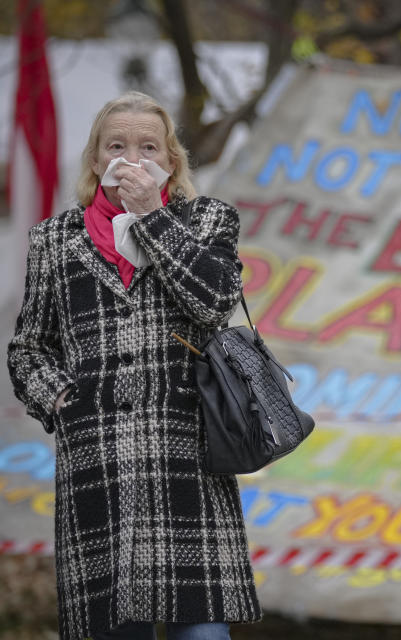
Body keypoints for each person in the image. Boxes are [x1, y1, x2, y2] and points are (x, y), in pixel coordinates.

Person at [7, 92, 261, 640]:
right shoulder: (55, 239)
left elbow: (215, 302)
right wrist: (61, 400)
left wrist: (151, 215)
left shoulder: (209, 220)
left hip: (188, 458)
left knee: (204, 632)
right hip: (96, 463)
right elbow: (29, 349)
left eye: (149, 146)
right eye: (117, 145)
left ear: (171, 160)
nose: (132, 158)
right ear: (97, 160)